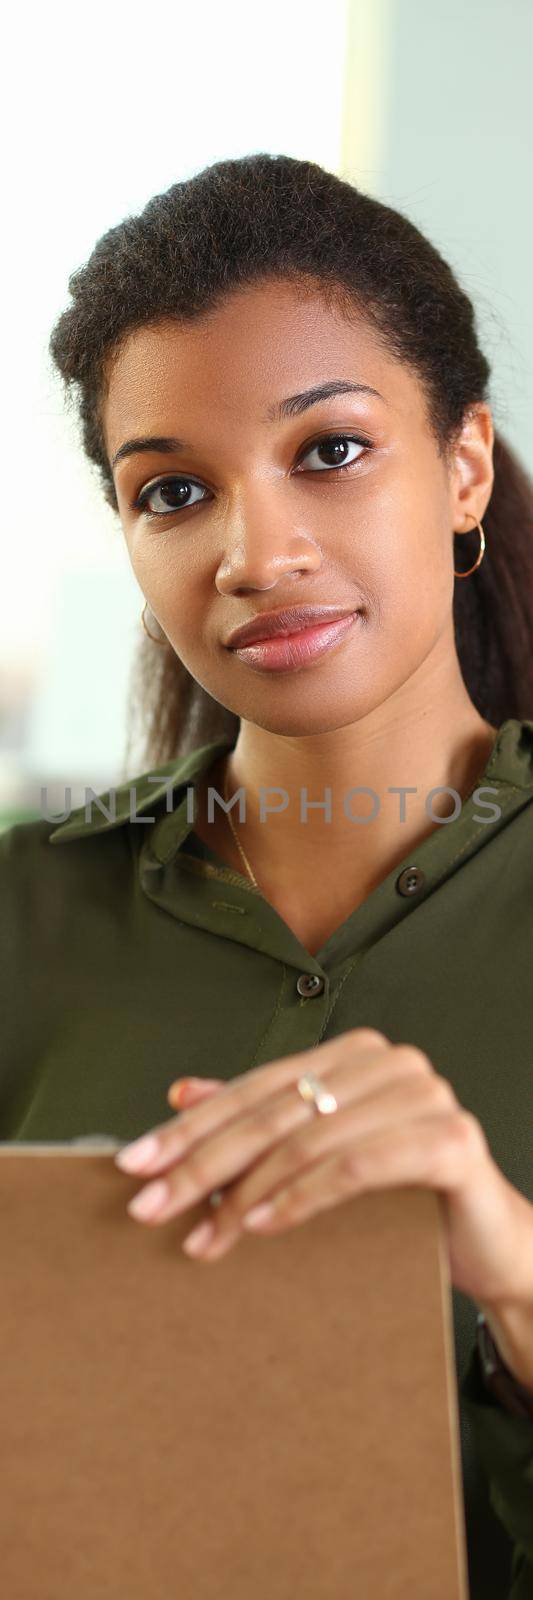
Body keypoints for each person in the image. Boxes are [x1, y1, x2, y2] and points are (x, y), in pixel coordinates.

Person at [1, 153, 533, 1598]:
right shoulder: (20, 916)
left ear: (463, 465)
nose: (255, 552)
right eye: (172, 490)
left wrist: (507, 1261)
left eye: (331, 451)